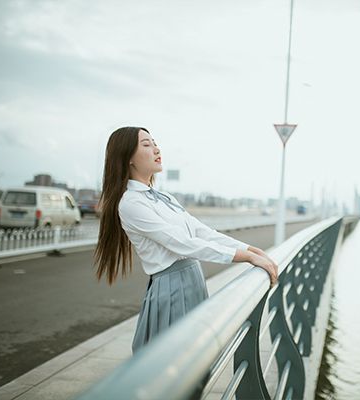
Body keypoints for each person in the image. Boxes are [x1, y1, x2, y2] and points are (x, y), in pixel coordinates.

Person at [93, 126, 279, 356]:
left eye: (155, 142)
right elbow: (183, 243)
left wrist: (250, 250)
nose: (156, 148)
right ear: (128, 157)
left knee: (194, 357)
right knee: (173, 362)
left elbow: (201, 232)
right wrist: (246, 258)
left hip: (192, 280)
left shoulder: (164, 197)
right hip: (171, 286)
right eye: (146, 144)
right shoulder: (131, 203)